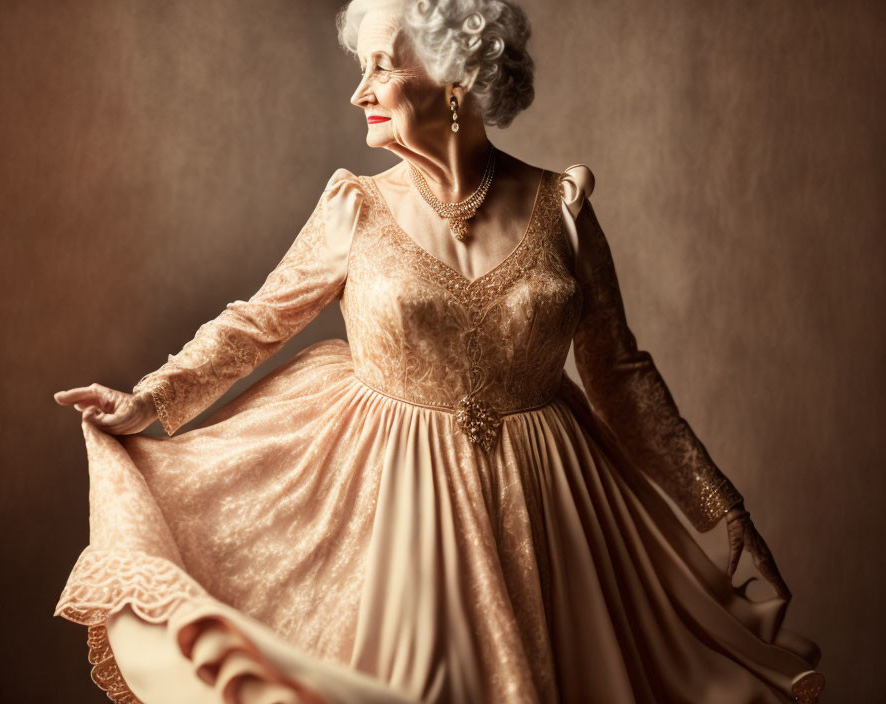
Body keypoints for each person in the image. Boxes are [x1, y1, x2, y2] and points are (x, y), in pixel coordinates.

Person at [52, 0, 825, 702]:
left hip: (553, 511)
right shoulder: (355, 205)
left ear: (455, 79)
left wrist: (720, 507)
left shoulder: (563, 207)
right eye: (363, 68)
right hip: (390, 510)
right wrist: (151, 398)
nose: (360, 92)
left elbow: (618, 371)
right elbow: (256, 322)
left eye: (383, 66)